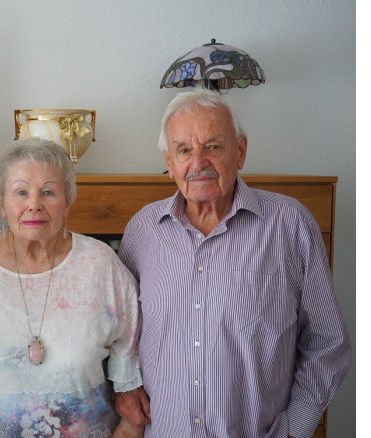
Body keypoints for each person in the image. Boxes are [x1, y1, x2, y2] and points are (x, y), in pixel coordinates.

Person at [117, 87, 351, 437]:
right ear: (169, 163)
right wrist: (124, 385)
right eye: (184, 150)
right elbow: (120, 331)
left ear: (240, 151)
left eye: (213, 146)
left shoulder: (290, 224)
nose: (198, 164)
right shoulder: (142, 231)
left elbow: (327, 342)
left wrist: (293, 429)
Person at [0, 138, 150, 438]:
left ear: (67, 201)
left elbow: (129, 352)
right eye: (21, 192)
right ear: (2, 204)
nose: (34, 204)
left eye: (48, 192)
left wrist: (131, 419)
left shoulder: (99, 264)